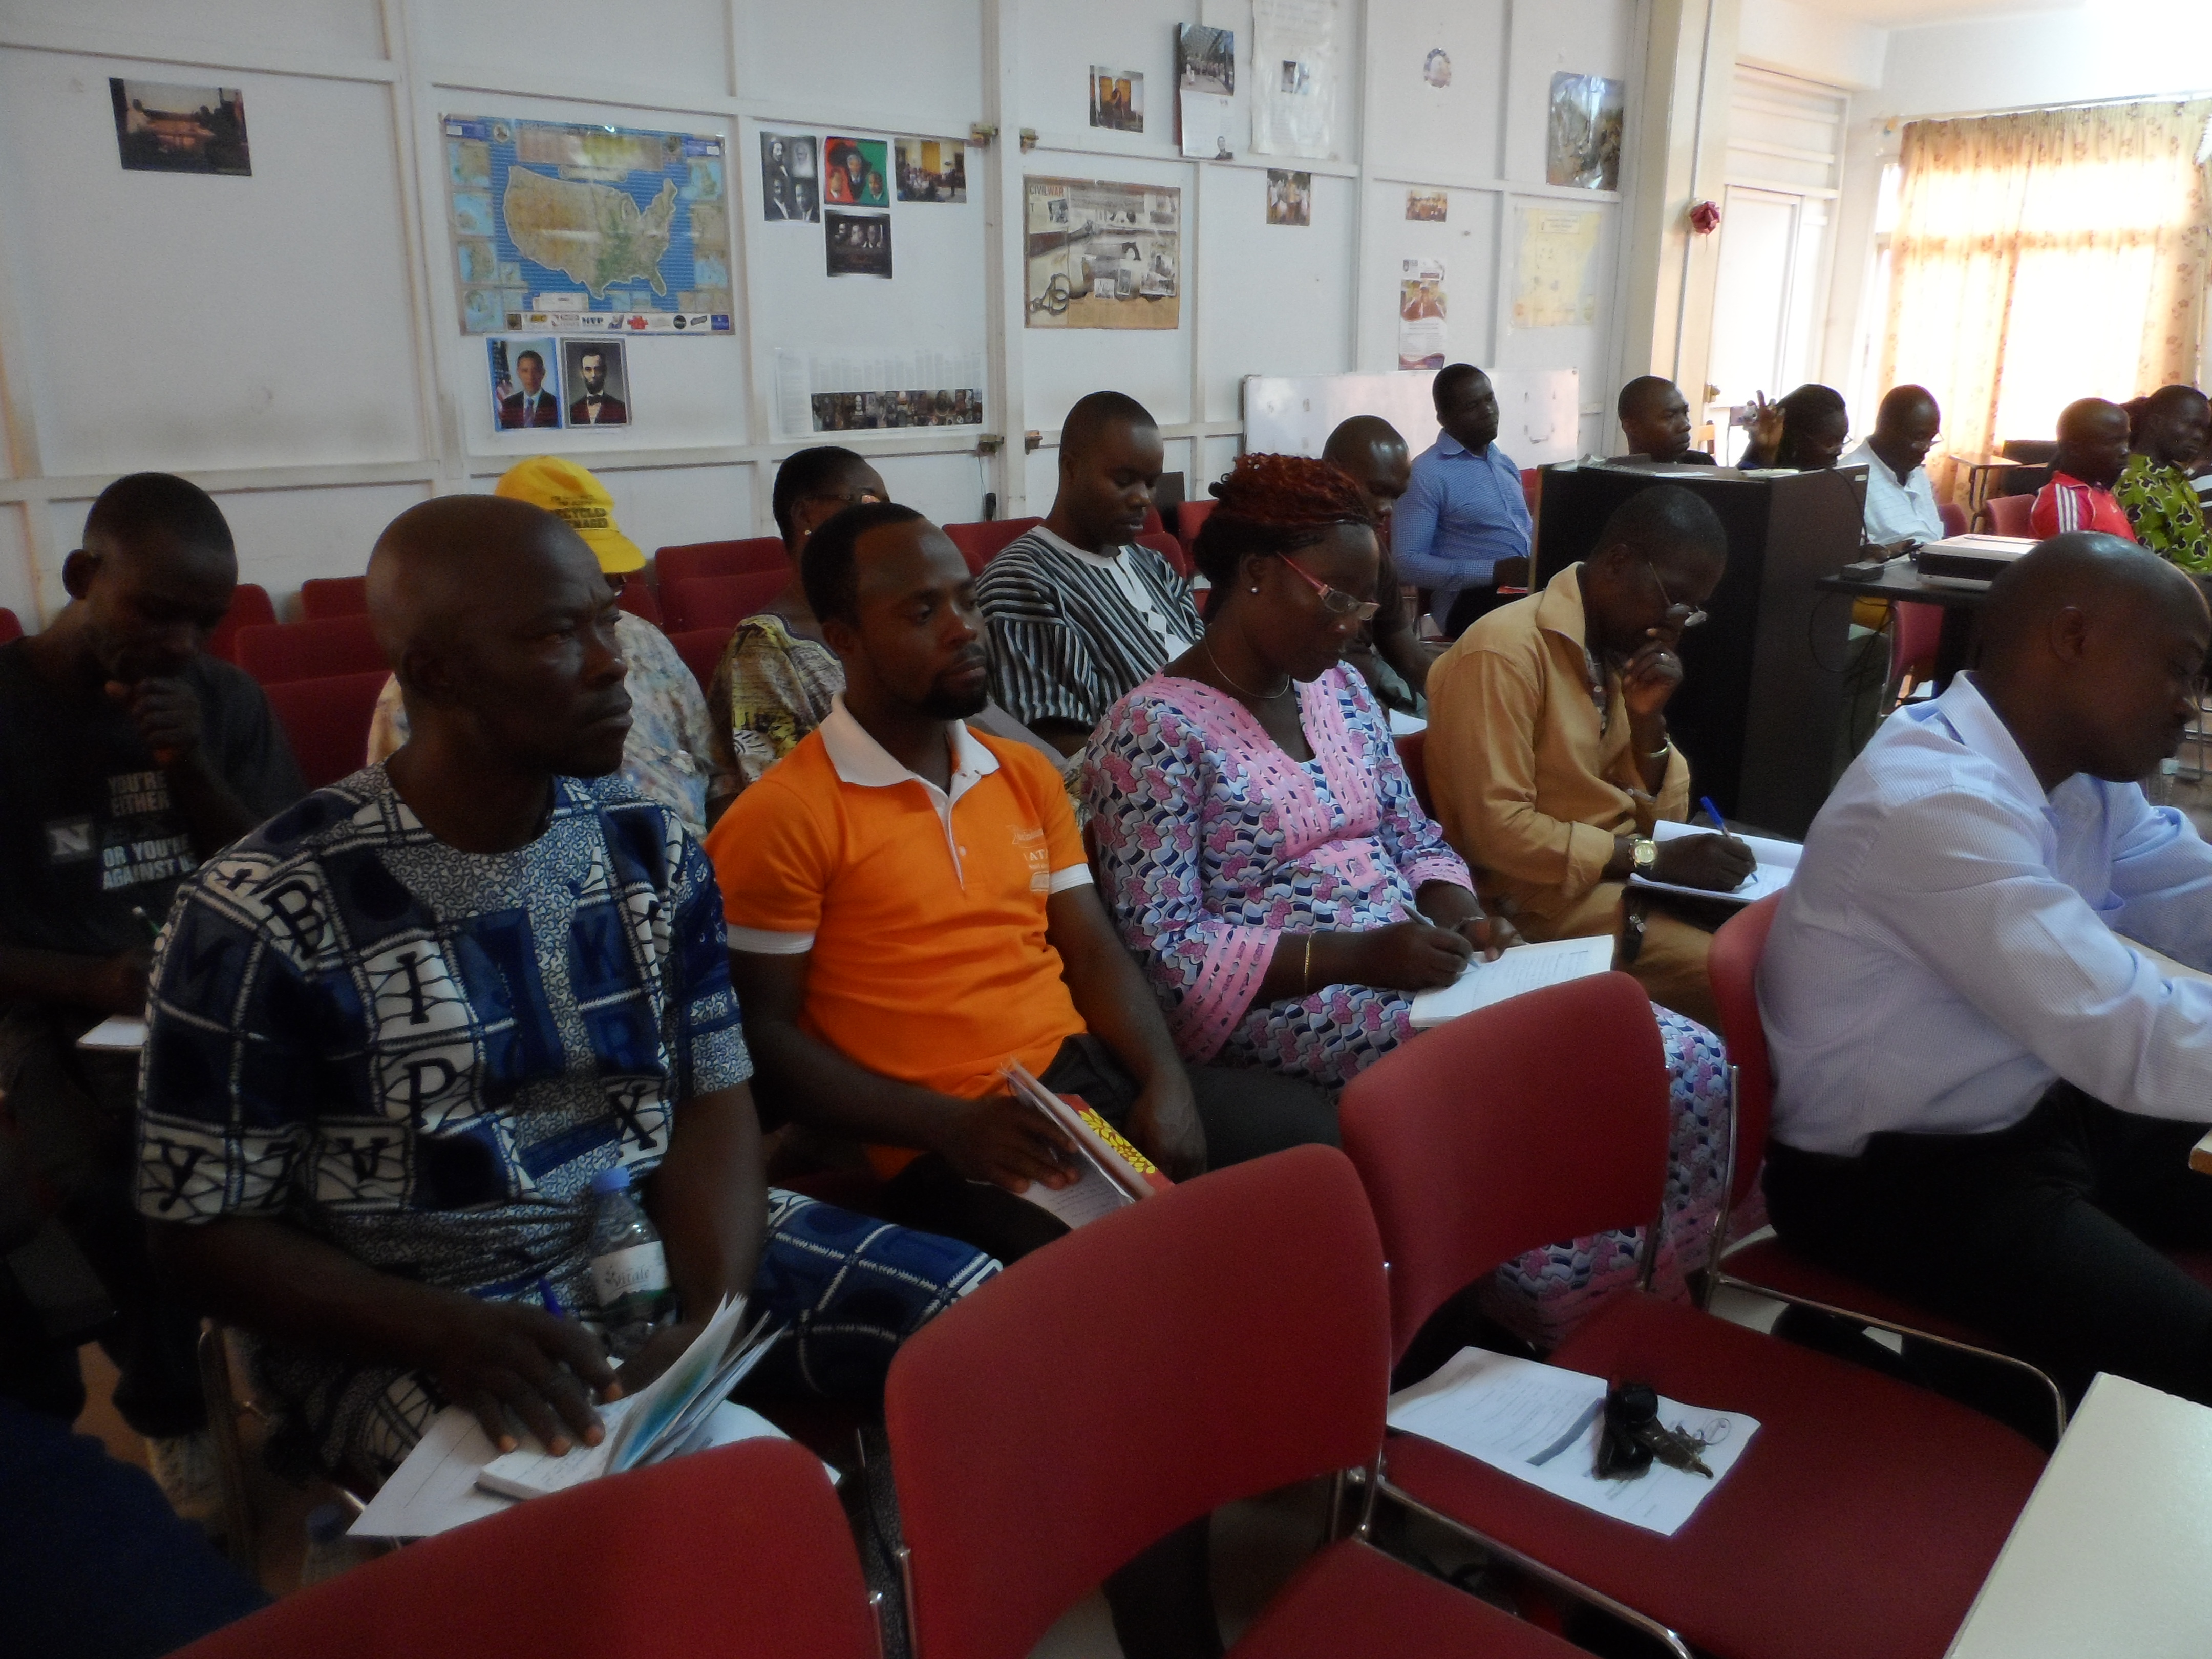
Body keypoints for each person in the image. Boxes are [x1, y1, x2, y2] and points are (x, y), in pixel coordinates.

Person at [134, 494, 998, 1495]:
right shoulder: (261, 906)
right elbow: (196, 1234)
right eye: (556, 636)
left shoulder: (648, 844)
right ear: (435, 673)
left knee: (981, 1317)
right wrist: (442, 1330)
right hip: (422, 1312)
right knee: (660, 1519)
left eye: (605, 620)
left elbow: (714, 1096)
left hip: (647, 1237)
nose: (610, 662)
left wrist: (701, 1316)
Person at [1086, 454, 1735, 1345]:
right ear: (1257, 574)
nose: (1355, 627)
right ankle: (1560, 1323)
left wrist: (1459, 910)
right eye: (1339, 599)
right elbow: (1166, 952)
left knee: (1684, 1056)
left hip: (1418, 963)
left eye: (1369, 605)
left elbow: (1416, 837)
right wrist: (1358, 955)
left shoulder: (1339, 692)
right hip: (1289, 1000)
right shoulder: (1152, 732)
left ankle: (1657, 1293)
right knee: (1565, 1078)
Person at [713, 503, 1339, 1257]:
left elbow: (1091, 950)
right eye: (923, 612)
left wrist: (1165, 1081)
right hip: (942, 1133)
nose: (963, 629)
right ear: (844, 639)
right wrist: (947, 1125)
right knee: (1138, 1262)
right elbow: (763, 1041)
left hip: (1075, 1084)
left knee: (1312, 1144)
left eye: (966, 600)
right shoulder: (783, 816)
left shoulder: (1020, 774)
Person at [1760, 533, 2212, 1408]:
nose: (2190, 707)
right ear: (2073, 639)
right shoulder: (1935, 803)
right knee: (2195, 1357)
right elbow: (2128, 1027)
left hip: (2033, 1109)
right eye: (2179, 670)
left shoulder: (2079, 776)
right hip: (1900, 1181)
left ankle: (1984, 1380)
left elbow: (2192, 895)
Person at [0, 473, 303, 1518]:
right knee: (111, 1179)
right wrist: (89, 978)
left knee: (339, 1120)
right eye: (155, 612)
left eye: (203, 621)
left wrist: (188, 765)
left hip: (225, 988)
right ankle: (172, 1407)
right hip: (60, 1005)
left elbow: (285, 879)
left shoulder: (224, 702)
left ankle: (291, 1368)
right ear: (82, 576)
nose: (180, 642)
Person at [1423, 485, 1753, 1029]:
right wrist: (1648, 858)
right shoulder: (1503, 653)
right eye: (1673, 600)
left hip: (1619, 882)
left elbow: (1665, 821)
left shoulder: (1614, 648)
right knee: (1744, 976)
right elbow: (1497, 833)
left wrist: (1648, 723)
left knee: (1783, 938)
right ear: (1619, 563)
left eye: (1691, 612)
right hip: (1538, 905)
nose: (1673, 625)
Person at [368, 457, 735, 838]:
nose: (614, 663)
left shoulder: (643, 639)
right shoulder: (428, 695)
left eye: (610, 581)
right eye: (558, 630)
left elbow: (719, 778)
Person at [705, 447, 1060, 795]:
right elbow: (783, 790)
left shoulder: (928, 633)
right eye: (867, 500)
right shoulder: (763, 646)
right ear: (805, 515)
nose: (883, 516)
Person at [975, 391, 1202, 754]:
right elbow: (1057, 747)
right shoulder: (1021, 583)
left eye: (1150, 482)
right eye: (1124, 481)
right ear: (1071, 469)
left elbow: (1212, 673)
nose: (1143, 498)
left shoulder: (1153, 566)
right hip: (1134, 782)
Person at [1392, 363, 1533, 637]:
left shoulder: (1503, 463)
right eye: (1472, 406)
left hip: (1520, 588)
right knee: (1542, 623)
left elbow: (1523, 529)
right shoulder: (1426, 473)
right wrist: (1494, 571)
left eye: (1490, 399)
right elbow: (1405, 563)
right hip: (1469, 600)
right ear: (1444, 418)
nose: (1488, 410)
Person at [1321, 415, 1438, 711]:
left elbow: (1408, 655)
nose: (1387, 509)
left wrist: (1456, 701)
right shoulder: (1292, 547)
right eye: (1377, 490)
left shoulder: (1370, 547)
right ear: (1333, 471)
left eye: (1395, 497)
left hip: (1366, 701)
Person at [2116, 384, 2212, 572]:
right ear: (2156, 422)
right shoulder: (2136, 485)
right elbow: (2157, 573)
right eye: (2191, 425)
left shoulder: (2175, 476)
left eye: (2204, 429)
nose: (2199, 436)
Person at [1841, 385, 1946, 546]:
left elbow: (1933, 534)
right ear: (1886, 429)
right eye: (1919, 438)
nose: (1926, 448)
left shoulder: (1914, 468)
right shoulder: (1850, 478)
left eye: (1931, 439)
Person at [2029, 398, 2136, 541]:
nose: (2126, 451)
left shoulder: (2098, 490)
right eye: (2112, 442)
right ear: (2074, 449)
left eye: (2126, 440)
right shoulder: (2067, 503)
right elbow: (2069, 554)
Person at [1738, 382, 1851, 472]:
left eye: (1843, 440)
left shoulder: (1836, 483)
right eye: (1830, 443)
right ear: (1796, 439)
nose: (1839, 452)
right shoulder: (1752, 470)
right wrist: (1764, 453)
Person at [1613, 375, 1715, 465]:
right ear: (1632, 427)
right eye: (1669, 417)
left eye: (1685, 413)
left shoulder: (1702, 464)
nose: (1686, 426)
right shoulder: (1614, 478)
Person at [497, 350, 558, 429]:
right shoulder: (508, 404)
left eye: (535, 371)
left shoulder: (556, 404)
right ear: (518, 373)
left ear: (543, 373)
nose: (530, 377)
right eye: (525, 371)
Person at [568, 349, 627, 426]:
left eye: (597, 369)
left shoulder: (621, 409)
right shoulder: (572, 410)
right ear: (582, 373)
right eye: (588, 370)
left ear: (605, 371)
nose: (593, 375)